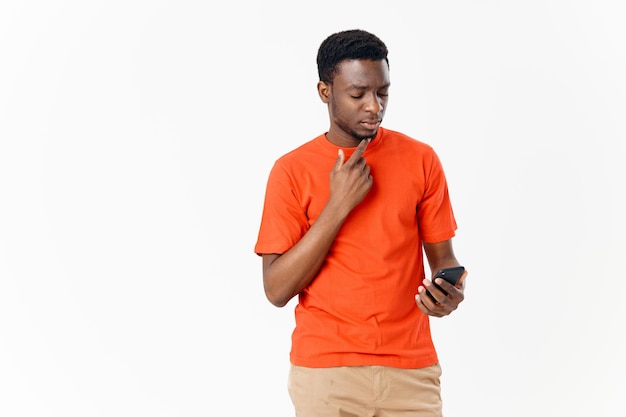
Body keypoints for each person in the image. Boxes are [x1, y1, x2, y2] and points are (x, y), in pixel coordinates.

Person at [254, 29, 467, 417]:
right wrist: (338, 207)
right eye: (358, 95)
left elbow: (444, 262)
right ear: (324, 92)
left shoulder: (422, 159)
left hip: (411, 369)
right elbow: (276, 289)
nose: (374, 107)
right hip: (327, 373)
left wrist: (446, 295)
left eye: (383, 92)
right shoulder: (291, 171)